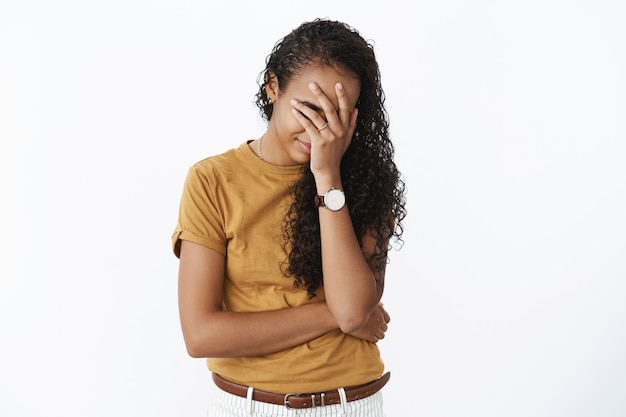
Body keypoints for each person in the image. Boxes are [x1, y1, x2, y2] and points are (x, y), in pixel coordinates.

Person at [171, 18, 407, 417]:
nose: (321, 130)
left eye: (338, 114)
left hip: (349, 403)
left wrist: (327, 176)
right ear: (273, 87)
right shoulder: (212, 181)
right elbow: (200, 334)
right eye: (311, 109)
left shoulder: (367, 180)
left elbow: (353, 310)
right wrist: (334, 316)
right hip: (247, 405)